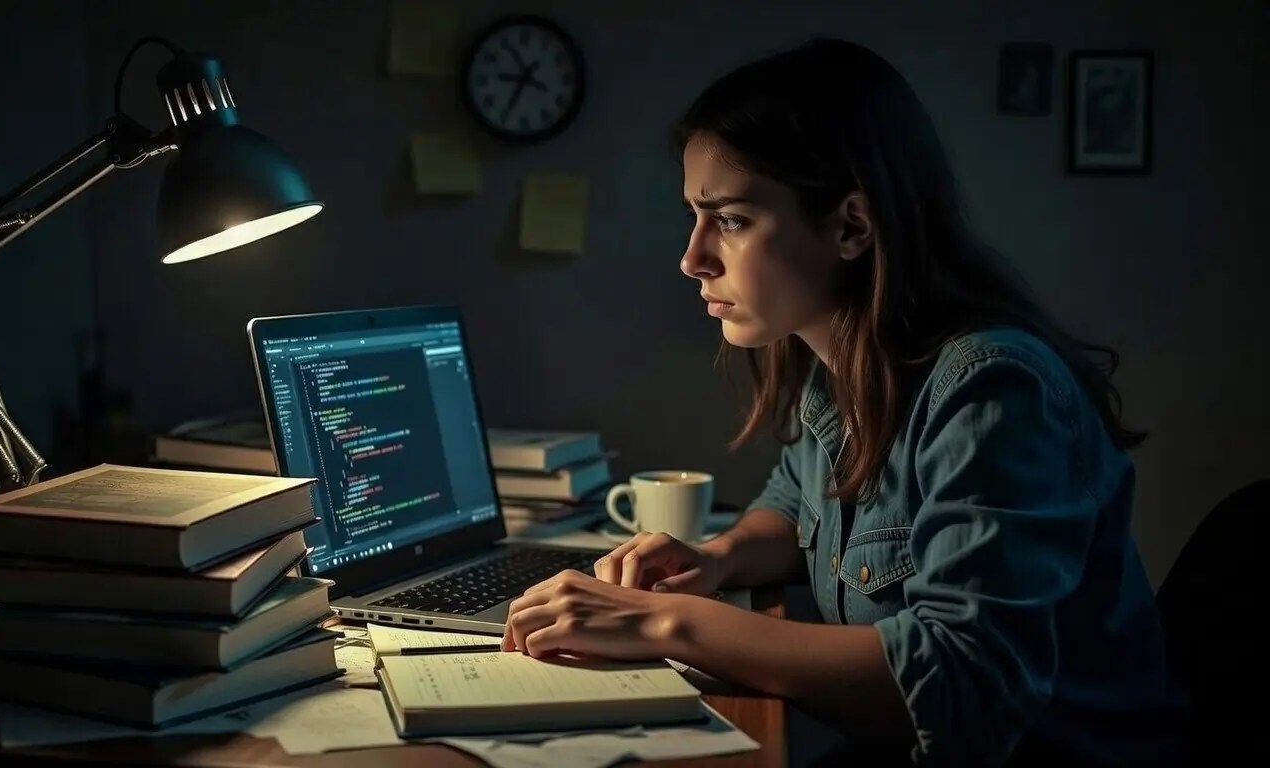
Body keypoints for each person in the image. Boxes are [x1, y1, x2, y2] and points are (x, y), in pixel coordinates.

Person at [500, 38, 1186, 767]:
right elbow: (794, 503)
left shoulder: (992, 389)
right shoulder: (848, 367)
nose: (692, 256)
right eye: (695, 218)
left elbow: (962, 680)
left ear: (851, 226)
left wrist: (664, 623)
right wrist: (718, 557)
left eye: (728, 219)